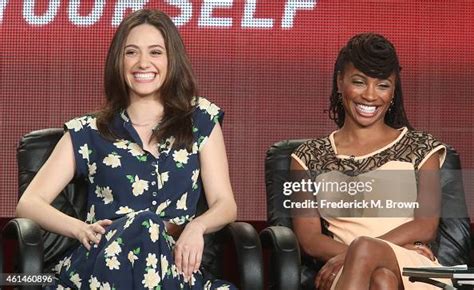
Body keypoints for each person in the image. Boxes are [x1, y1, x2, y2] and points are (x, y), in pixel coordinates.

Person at [16, 9, 237, 289]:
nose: (143, 63)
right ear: (119, 62)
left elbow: (225, 204)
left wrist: (197, 227)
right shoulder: (89, 131)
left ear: (172, 60)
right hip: (103, 265)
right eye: (131, 52)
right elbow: (29, 203)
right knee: (145, 224)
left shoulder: (200, 119)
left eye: (156, 52)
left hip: (174, 265)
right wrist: (79, 228)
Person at [291, 33, 449, 290]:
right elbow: (308, 238)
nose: (370, 95)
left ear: (394, 90)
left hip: (413, 265)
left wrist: (364, 251)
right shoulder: (307, 156)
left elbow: (425, 225)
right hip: (345, 270)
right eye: (359, 82)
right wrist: (358, 257)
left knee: (370, 255)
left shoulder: (422, 148)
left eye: (383, 85)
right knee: (381, 280)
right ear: (340, 81)